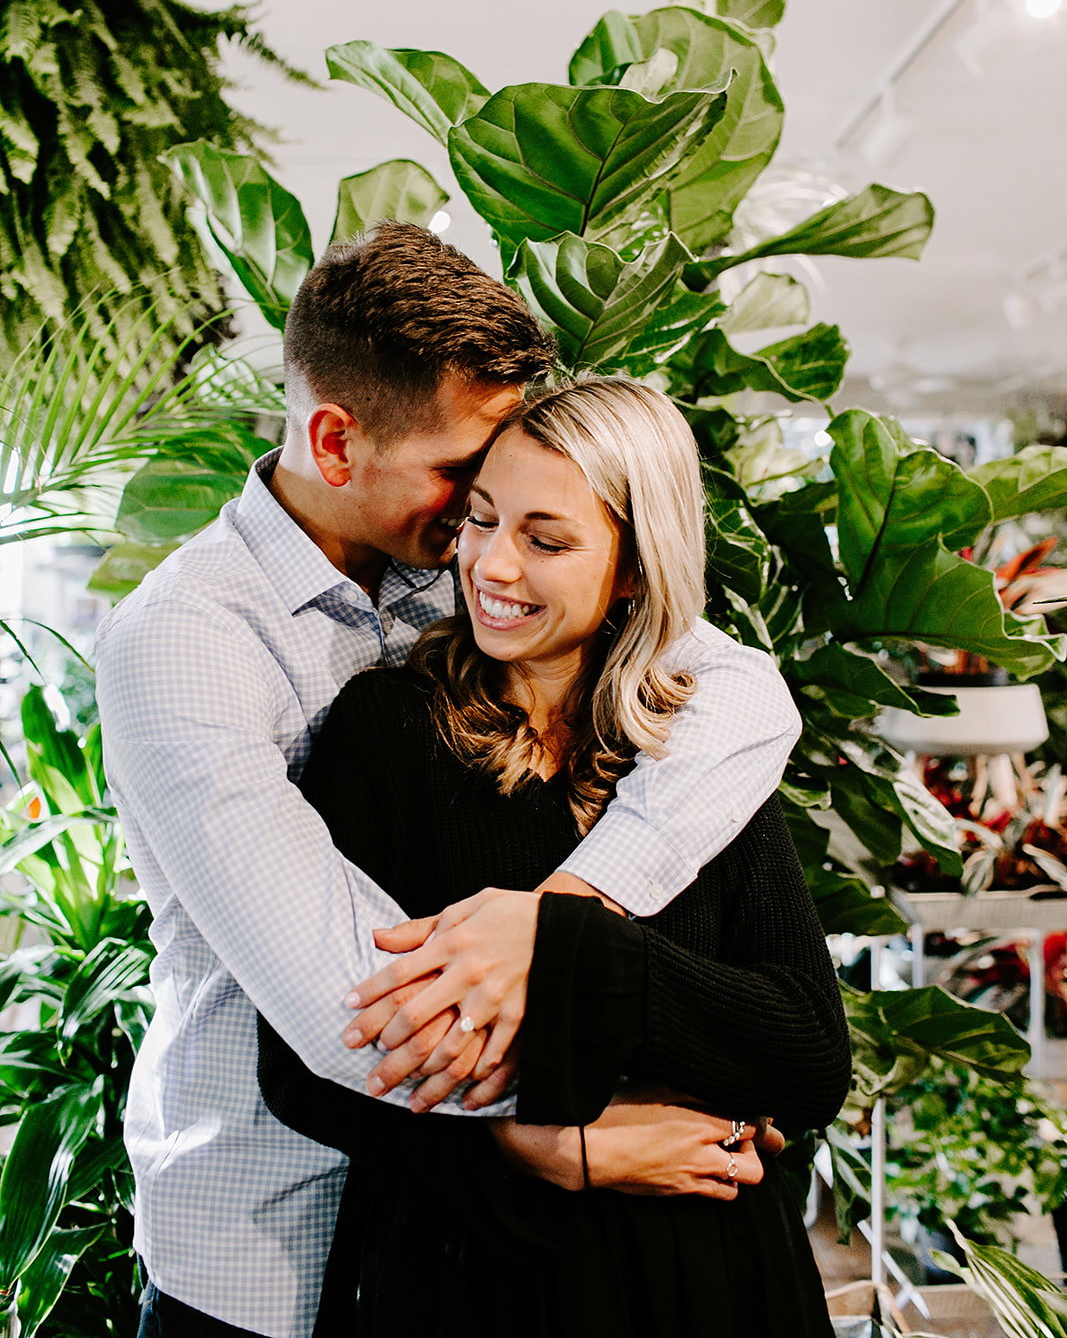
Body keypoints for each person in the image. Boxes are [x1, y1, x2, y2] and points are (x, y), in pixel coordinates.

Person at [95, 224, 802, 1338]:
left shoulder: (454, 573)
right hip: (266, 1236)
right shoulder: (188, 644)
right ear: (335, 440)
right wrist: (564, 1137)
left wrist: (567, 915)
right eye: (463, 481)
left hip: (454, 1252)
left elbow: (743, 691)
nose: (486, 527)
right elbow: (351, 1005)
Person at [259, 376, 850, 1337]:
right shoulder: (390, 730)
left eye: (546, 539)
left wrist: (556, 945)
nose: (491, 564)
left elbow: (807, 1053)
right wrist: (548, 1146)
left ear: (631, 568)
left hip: (711, 1282)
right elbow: (307, 1067)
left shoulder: (697, 744)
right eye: (481, 520)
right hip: (473, 1277)